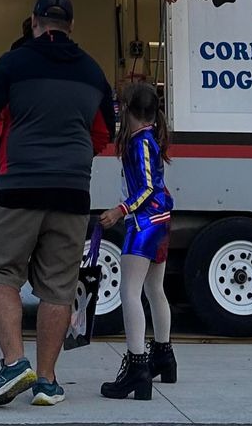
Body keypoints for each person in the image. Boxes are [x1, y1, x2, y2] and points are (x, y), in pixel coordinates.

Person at [0, 0, 113, 408]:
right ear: (70, 25)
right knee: (58, 286)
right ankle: (47, 382)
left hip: (19, 187)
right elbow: (104, 131)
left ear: (34, 21)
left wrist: (1, 153)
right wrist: (75, 159)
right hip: (71, 192)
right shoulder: (92, 71)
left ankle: (14, 363)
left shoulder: (13, 63)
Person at [98, 82, 175, 400]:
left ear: (127, 109)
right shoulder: (150, 137)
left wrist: (120, 210)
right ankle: (163, 355)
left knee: (128, 292)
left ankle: (137, 366)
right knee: (154, 290)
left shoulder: (139, 141)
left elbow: (146, 188)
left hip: (143, 222)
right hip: (160, 220)